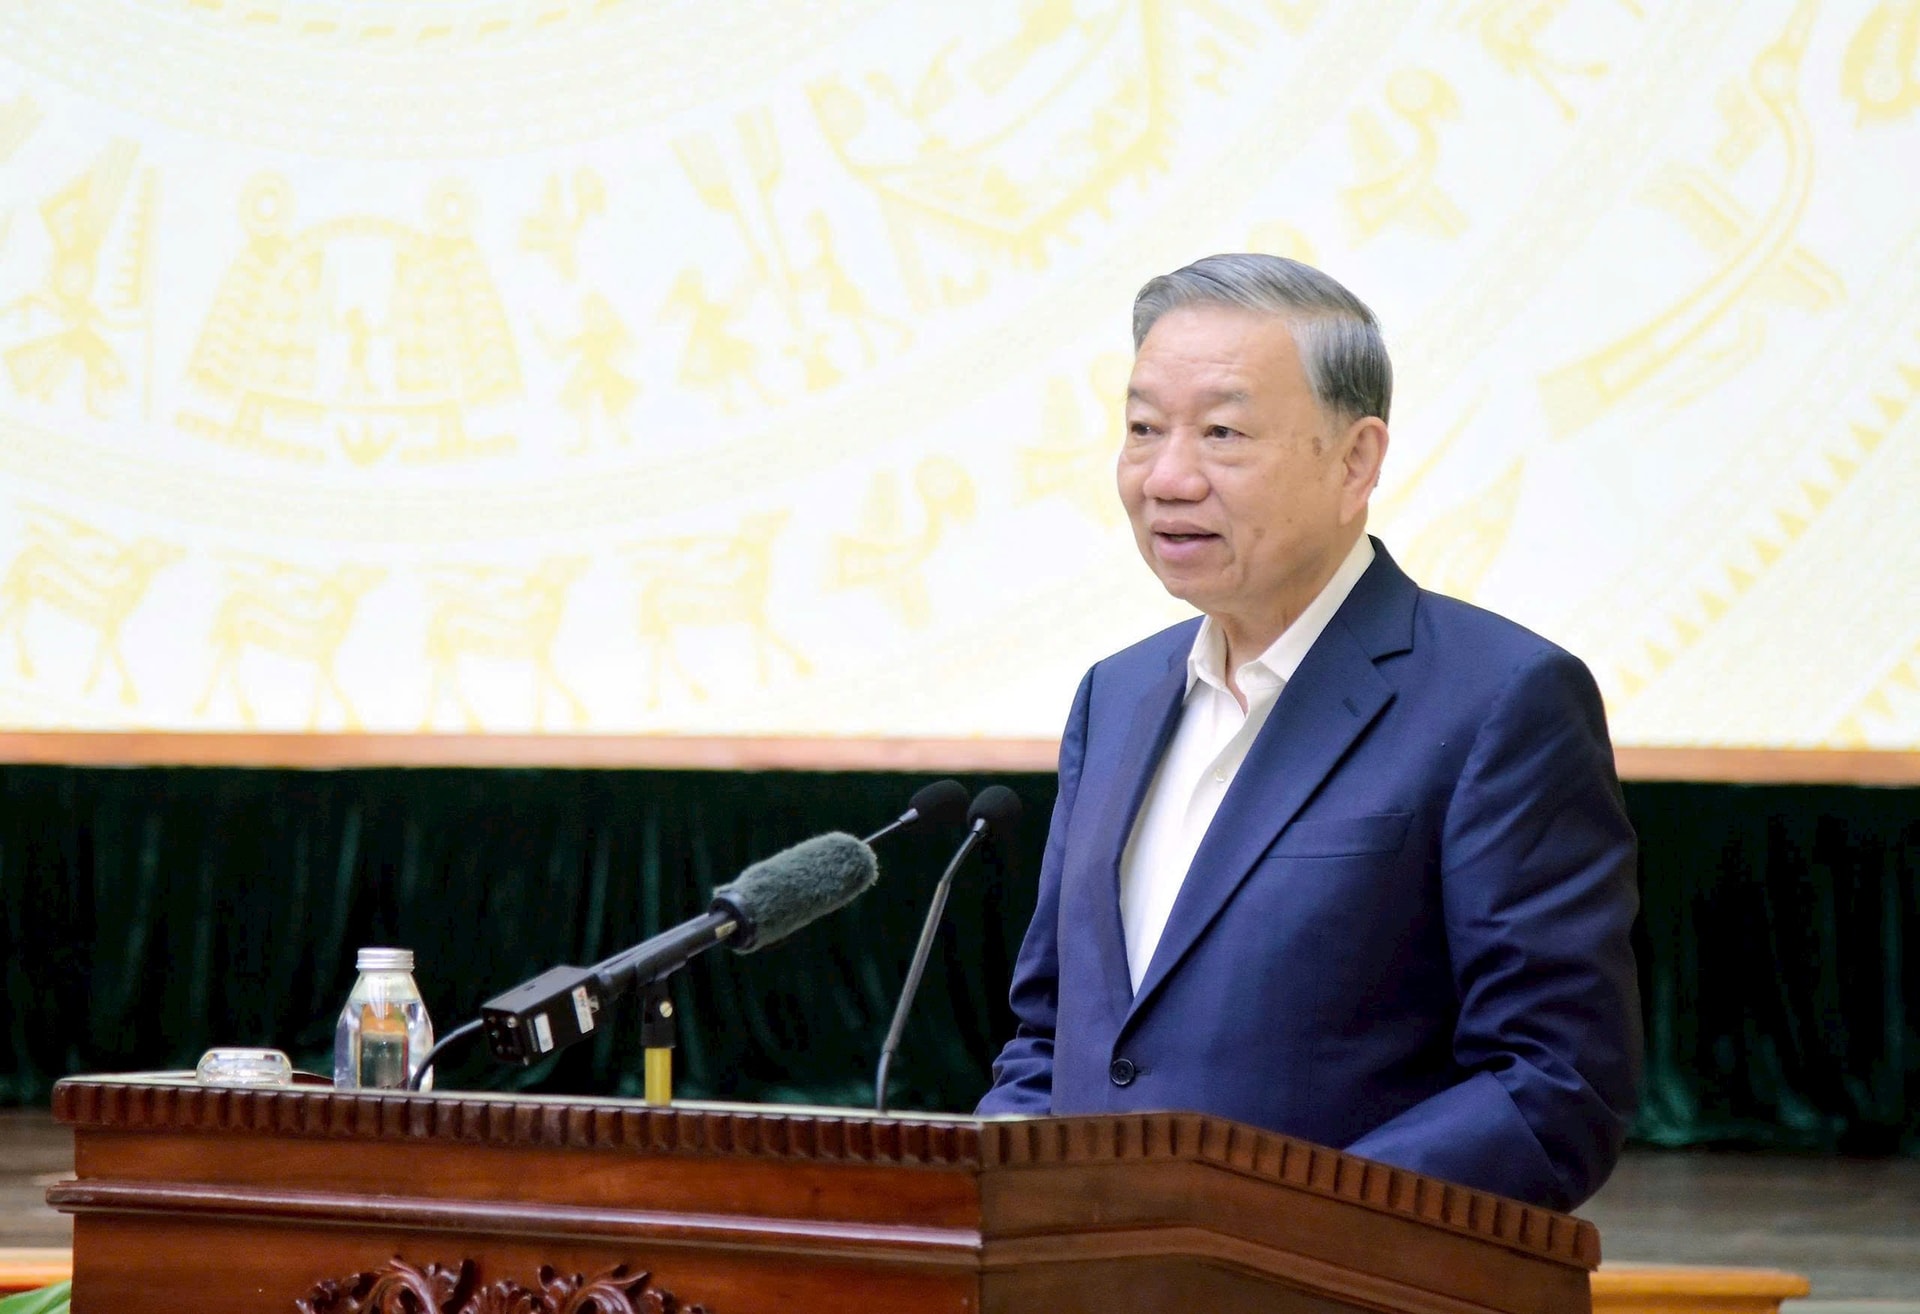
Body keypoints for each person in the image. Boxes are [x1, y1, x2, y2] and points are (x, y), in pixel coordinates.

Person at [977, 254, 1641, 1212]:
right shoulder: (1115, 698)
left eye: (1222, 433)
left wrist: (1277, 1225)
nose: (1168, 476)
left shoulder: (1500, 700)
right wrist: (992, 1196)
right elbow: (1054, 1038)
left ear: (1356, 461)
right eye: (1144, 429)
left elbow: (1553, 1084)